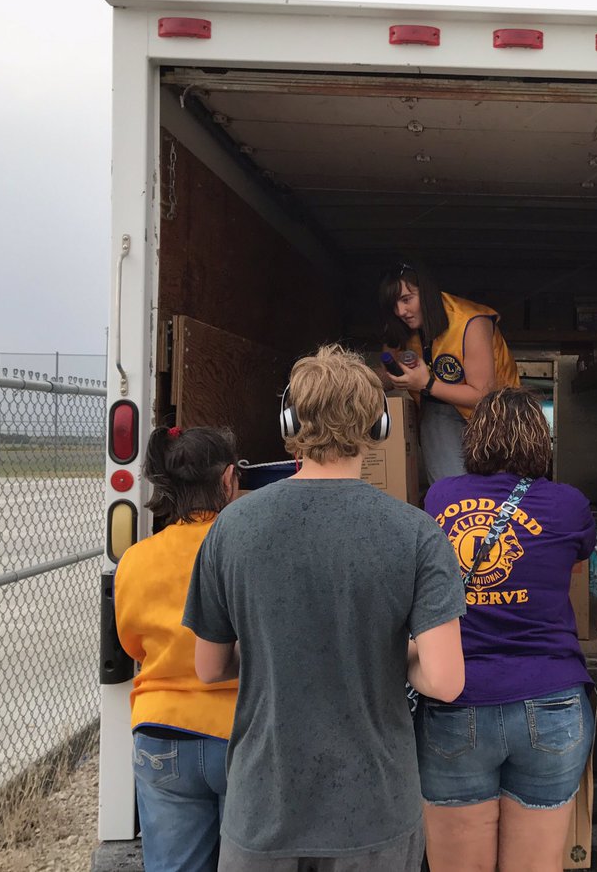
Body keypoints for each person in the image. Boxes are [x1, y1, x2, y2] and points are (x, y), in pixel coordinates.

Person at [183, 344, 467, 871]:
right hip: (375, 814)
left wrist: (281, 649)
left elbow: (209, 667)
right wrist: (388, 651)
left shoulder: (232, 528)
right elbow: (445, 681)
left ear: (290, 421)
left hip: (264, 810)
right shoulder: (417, 533)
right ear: (378, 426)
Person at [418, 388, 596, 872]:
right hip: (552, 700)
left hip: (458, 701)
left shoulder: (442, 496)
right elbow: (574, 565)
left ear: (473, 440)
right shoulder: (569, 504)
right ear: (542, 442)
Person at [115, 426, 240, 872]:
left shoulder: (136, 558)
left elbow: (131, 642)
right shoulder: (244, 550)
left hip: (160, 731)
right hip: (239, 735)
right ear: (229, 480)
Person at [380, 263, 521, 484]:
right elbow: (391, 374)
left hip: (498, 415)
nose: (400, 311)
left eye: (407, 299)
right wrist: (357, 381)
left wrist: (426, 384)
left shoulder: (471, 322)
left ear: (426, 294)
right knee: (454, 492)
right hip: (441, 412)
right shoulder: (398, 326)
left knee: (497, 493)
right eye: (394, 304)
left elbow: (483, 396)